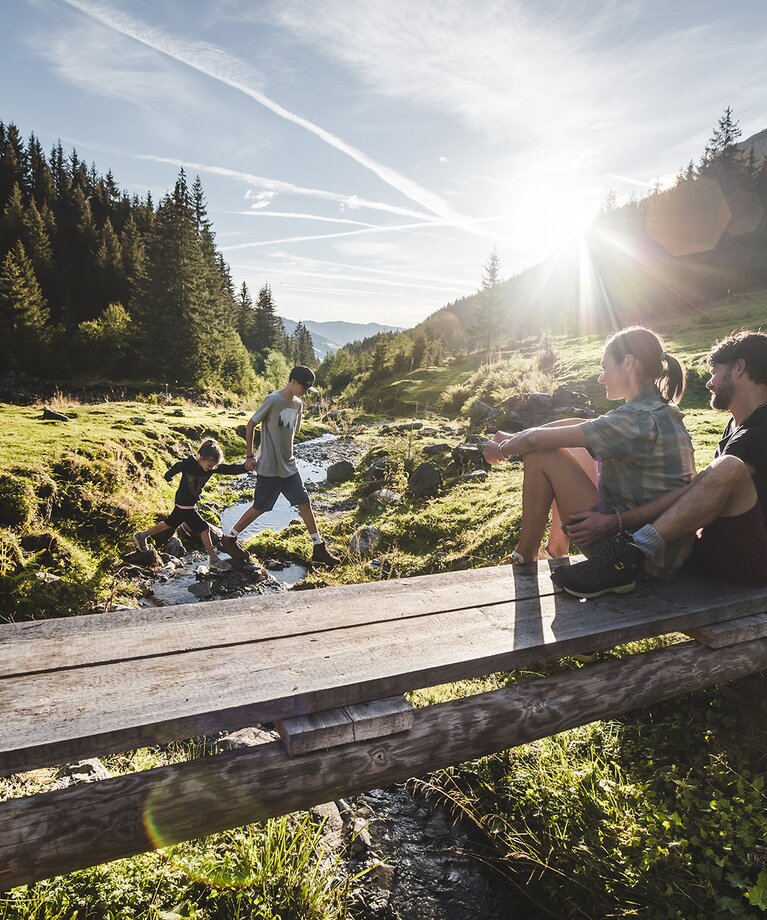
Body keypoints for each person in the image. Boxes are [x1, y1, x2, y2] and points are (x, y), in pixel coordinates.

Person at [552, 330, 767, 597]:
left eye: (714, 372)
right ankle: (602, 551)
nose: (709, 383)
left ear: (739, 368)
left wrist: (616, 522)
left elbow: (698, 491)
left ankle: (632, 551)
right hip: (713, 556)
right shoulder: (737, 425)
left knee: (728, 466)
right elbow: (697, 493)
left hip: (752, 564)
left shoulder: (761, 429)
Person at [483, 326, 696, 583]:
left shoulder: (635, 419)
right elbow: (573, 426)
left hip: (634, 557)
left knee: (541, 455)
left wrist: (501, 450)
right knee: (567, 446)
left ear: (628, 363)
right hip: (669, 552)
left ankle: (524, 557)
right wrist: (512, 437)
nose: (601, 378)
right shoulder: (659, 411)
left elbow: (536, 441)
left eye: (605, 367)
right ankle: (557, 547)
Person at [222, 365, 340, 568]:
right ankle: (229, 539)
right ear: (293, 381)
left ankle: (318, 547)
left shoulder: (298, 404)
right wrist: (250, 455)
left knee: (304, 502)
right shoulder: (273, 400)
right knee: (261, 507)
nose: (305, 391)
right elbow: (251, 424)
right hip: (269, 465)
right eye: (303, 387)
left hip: (289, 464)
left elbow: (288, 431)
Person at [133, 438, 246, 572]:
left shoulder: (212, 467)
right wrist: (169, 475)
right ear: (201, 457)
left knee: (169, 523)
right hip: (184, 502)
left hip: (188, 504)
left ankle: (141, 536)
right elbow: (178, 466)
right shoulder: (189, 463)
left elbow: (229, 469)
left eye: (214, 466)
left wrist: (245, 467)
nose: (211, 468)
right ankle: (214, 559)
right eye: (209, 465)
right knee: (203, 529)